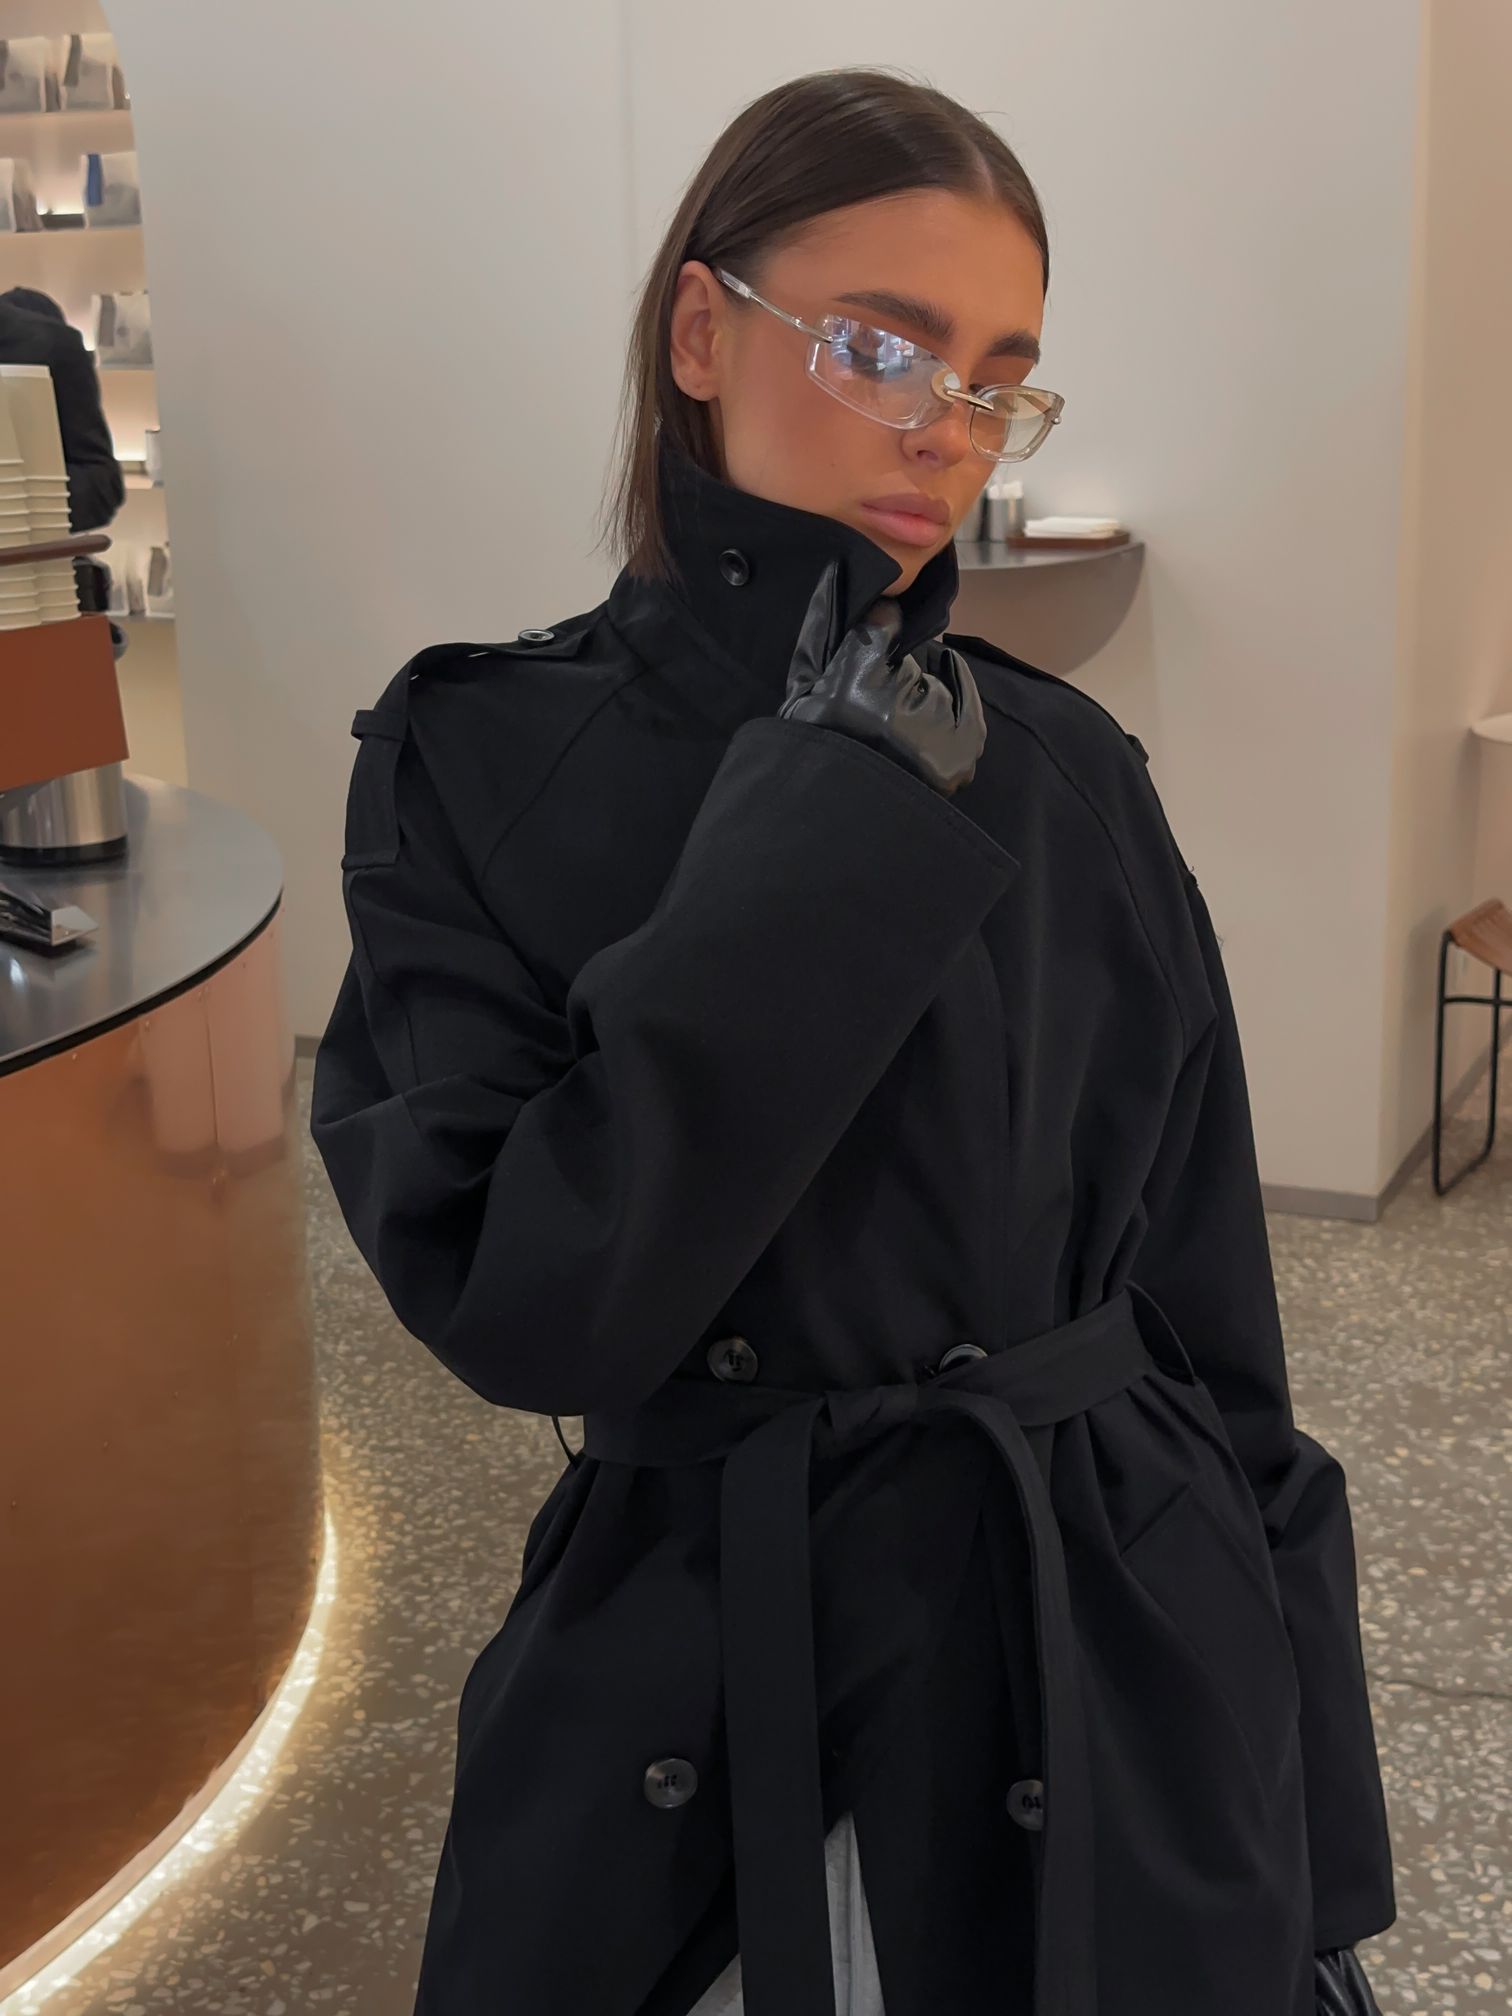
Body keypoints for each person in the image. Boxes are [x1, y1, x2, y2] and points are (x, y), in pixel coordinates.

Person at [310, 67, 1395, 2016]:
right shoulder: (476, 756)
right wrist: (818, 828)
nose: (944, 428)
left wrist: (1313, 1857)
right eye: (882, 348)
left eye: (996, 381)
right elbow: (530, 1301)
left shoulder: (1069, 768)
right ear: (701, 334)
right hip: (714, 1658)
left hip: (1111, 1627)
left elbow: (1219, 1330)